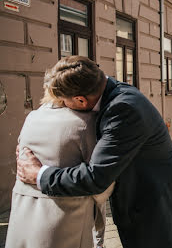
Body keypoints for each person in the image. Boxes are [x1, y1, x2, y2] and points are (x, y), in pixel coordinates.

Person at [16, 56, 172, 248]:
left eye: (64, 102)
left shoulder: (122, 110)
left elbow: (96, 177)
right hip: (154, 206)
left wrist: (39, 174)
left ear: (80, 100)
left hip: (161, 215)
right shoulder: (110, 90)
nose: (63, 106)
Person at [6, 82, 111, 248]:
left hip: (24, 210)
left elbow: (22, 152)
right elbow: (99, 182)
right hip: (63, 214)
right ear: (79, 98)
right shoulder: (85, 122)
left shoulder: (33, 116)